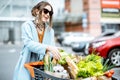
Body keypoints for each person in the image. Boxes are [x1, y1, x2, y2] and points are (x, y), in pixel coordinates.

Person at [13, 1, 61, 80]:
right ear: (37, 11)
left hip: (42, 69)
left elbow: (52, 51)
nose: (48, 14)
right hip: (27, 64)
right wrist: (48, 48)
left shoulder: (50, 31)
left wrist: (56, 54)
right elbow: (29, 44)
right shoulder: (27, 26)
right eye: (45, 11)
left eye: (50, 13)